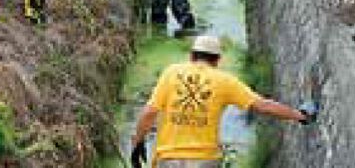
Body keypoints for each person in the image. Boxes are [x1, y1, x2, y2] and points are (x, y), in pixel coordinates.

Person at [129, 35, 317, 168]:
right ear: (217, 60)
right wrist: (299, 115)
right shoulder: (224, 81)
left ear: (192, 56)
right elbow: (263, 106)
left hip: (168, 159)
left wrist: (138, 143)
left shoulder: (171, 73)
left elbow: (149, 113)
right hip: (205, 161)